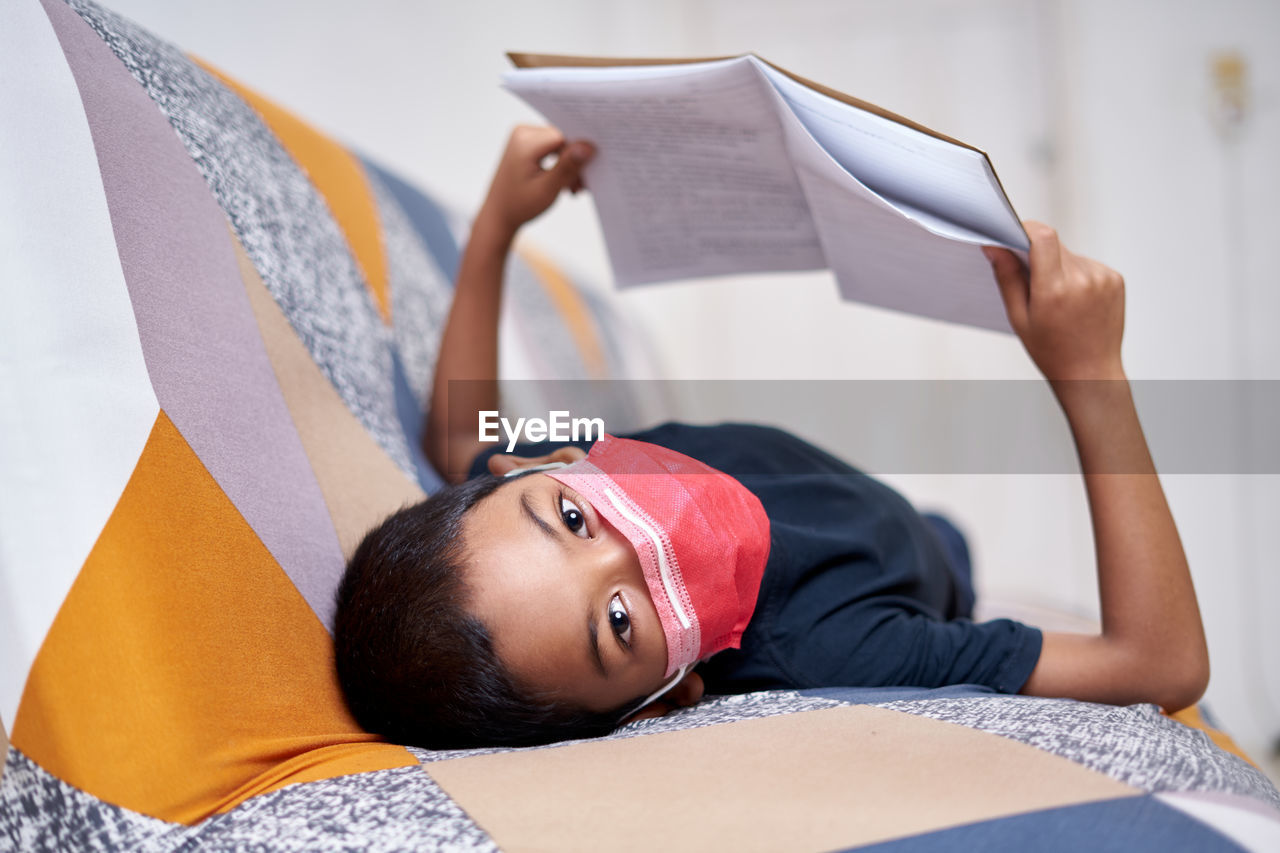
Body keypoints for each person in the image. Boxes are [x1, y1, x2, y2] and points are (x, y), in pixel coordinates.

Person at [332, 126, 1210, 750]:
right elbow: (1160, 663)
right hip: (923, 561)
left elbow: (457, 437)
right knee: (944, 541)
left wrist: (496, 228)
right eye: (618, 619)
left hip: (850, 494)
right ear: (665, 696)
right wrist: (1091, 373)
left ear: (539, 462)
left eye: (569, 519)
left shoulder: (592, 451)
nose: (644, 541)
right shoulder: (836, 640)